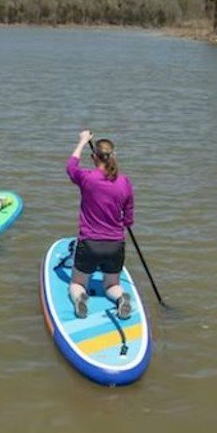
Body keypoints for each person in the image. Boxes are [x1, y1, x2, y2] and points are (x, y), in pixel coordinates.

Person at [66, 129, 135, 319]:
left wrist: (82, 141)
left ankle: (80, 298)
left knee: (77, 282)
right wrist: (125, 222)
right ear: (114, 156)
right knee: (112, 284)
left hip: (90, 243)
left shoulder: (87, 178)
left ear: (93, 157)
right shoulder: (124, 182)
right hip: (115, 244)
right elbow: (128, 216)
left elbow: (71, 167)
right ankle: (121, 298)